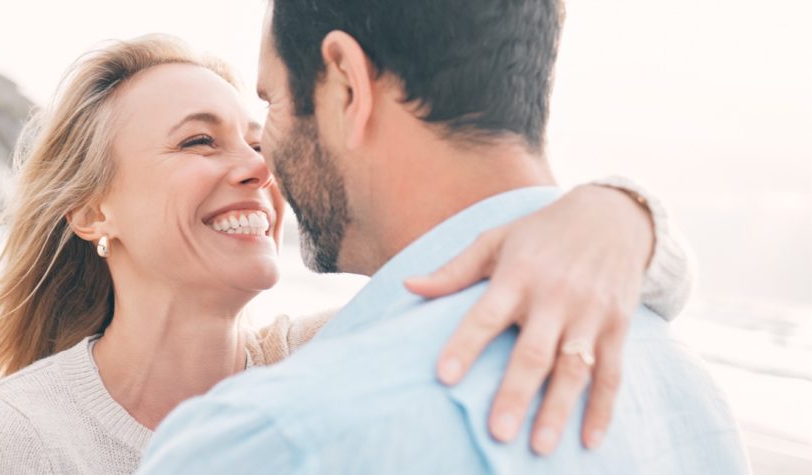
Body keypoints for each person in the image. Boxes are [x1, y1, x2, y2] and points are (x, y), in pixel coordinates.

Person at [0, 34, 694, 474]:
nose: (259, 168)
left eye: (256, 139)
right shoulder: (17, 439)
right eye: (199, 140)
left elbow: (635, 275)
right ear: (92, 208)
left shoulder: (337, 349)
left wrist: (618, 213)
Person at [138, 1, 750, 473]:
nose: (261, 157)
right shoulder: (692, 389)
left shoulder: (267, 439)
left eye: (271, 103)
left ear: (348, 86)